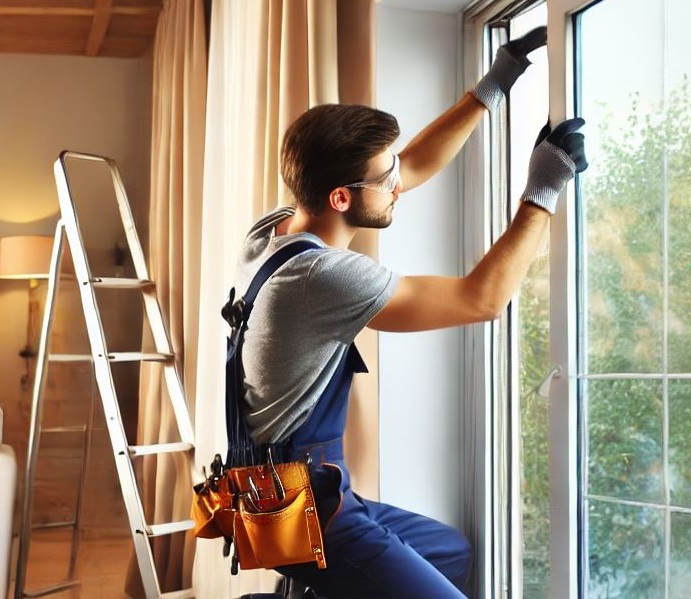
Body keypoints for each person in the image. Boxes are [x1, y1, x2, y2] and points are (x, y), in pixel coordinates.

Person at [228, 27, 587, 599]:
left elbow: (410, 165)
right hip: (300, 515)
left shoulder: (274, 229)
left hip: (277, 494)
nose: (399, 185)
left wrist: (496, 84)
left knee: (450, 551)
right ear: (341, 197)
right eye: (383, 179)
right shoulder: (324, 276)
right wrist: (543, 191)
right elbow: (482, 300)